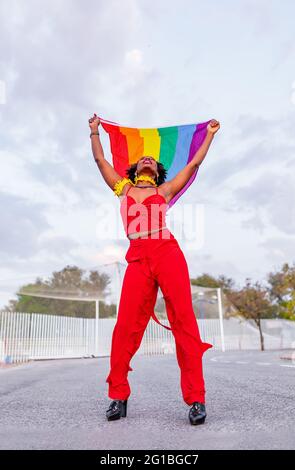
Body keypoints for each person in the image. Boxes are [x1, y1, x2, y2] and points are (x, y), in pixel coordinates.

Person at [89, 113, 220, 425]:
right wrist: (94, 131)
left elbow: (192, 166)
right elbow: (99, 160)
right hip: (137, 257)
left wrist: (210, 135)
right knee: (125, 327)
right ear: (135, 169)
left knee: (184, 321)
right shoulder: (123, 189)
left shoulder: (164, 191)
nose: (147, 158)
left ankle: (196, 399)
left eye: (152, 159)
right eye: (142, 158)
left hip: (167, 252)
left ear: (157, 171)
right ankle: (118, 395)